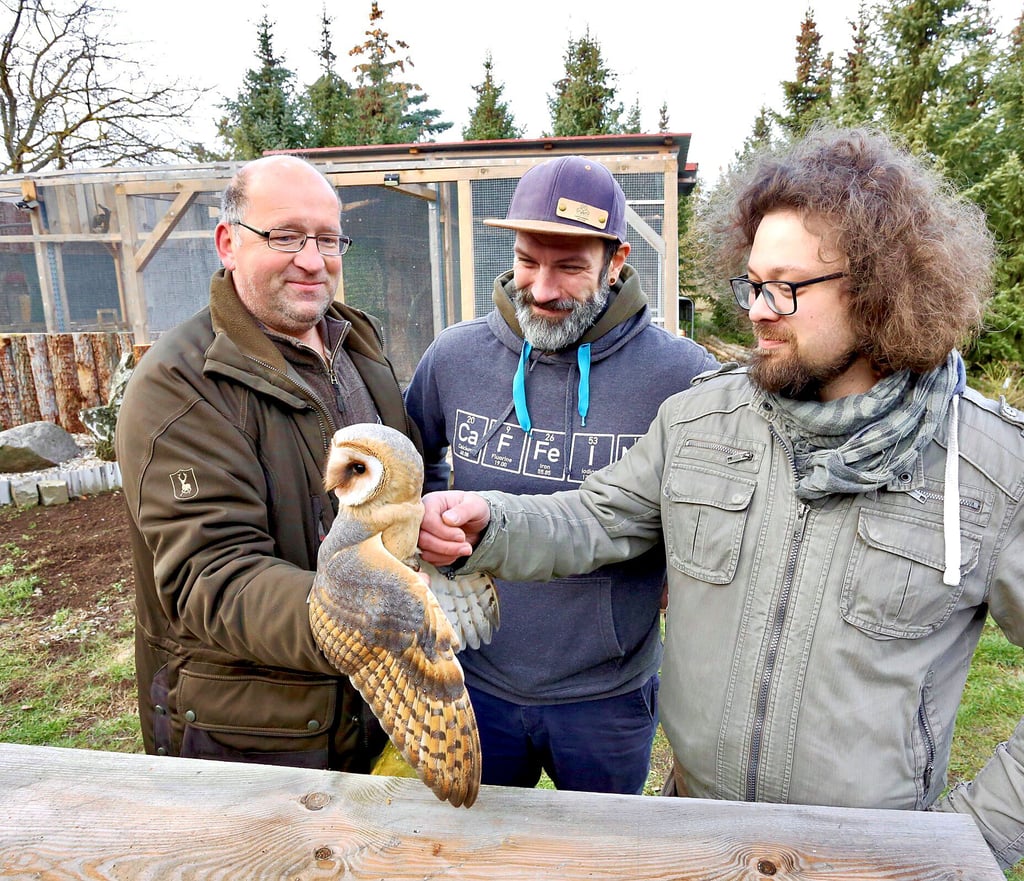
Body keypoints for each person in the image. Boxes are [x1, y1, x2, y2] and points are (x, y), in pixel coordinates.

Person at [417, 127, 1024, 869]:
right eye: (753, 282)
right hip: (694, 836)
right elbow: (597, 515)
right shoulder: (700, 417)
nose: (759, 311)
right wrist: (491, 521)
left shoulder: (992, 467)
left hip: (869, 859)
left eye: (787, 287)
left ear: (879, 287)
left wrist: (971, 837)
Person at [403, 154, 718, 795]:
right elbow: (412, 465)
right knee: (480, 856)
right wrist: (431, 516)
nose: (542, 289)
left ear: (617, 260)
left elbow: (710, 512)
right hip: (473, 679)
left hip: (606, 694)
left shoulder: (682, 377)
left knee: (604, 861)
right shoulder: (454, 357)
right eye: (527, 261)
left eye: (570, 267)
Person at [116, 155, 419, 772]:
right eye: (285, 236)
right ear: (228, 243)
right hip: (258, 730)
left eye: (327, 238)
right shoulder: (180, 388)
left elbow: (387, 496)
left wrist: (425, 521)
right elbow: (213, 577)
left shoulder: (357, 346)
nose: (312, 259)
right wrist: (365, 619)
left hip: (365, 705)